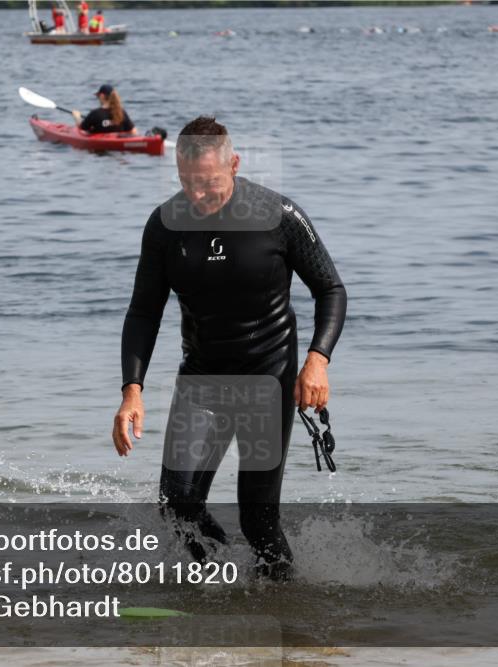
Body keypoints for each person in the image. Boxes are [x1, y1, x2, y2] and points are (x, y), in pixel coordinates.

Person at [112, 116, 347, 580]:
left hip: (269, 378)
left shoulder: (279, 216)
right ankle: (225, 586)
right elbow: (143, 312)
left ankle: (283, 608)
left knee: (258, 519)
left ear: (234, 164)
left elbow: (331, 290)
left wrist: (317, 361)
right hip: (202, 380)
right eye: (186, 183)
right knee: (176, 506)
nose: (196, 196)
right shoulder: (164, 228)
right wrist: (131, 391)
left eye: (209, 183)